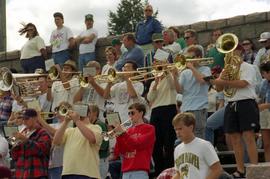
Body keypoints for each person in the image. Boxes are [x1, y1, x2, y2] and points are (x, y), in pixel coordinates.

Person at [211, 44, 260, 178]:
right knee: (234, 138)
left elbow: (243, 83)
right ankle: (240, 170)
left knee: (248, 136)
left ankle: (254, 168)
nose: (231, 53)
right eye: (229, 51)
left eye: (234, 50)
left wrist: (225, 82)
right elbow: (219, 89)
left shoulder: (248, 67)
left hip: (246, 103)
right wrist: (220, 80)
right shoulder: (226, 69)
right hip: (231, 104)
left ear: (240, 52)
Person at [147, 59, 179, 176]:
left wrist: (166, 70)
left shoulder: (170, 76)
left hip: (168, 109)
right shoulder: (152, 83)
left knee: (169, 141)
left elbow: (172, 86)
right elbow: (150, 98)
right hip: (156, 111)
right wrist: (155, 82)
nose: (157, 68)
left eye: (159, 66)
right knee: (156, 143)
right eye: (156, 66)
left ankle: (169, 169)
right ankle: (159, 170)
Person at [53, 104, 102, 179]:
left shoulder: (95, 127)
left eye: (81, 109)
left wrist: (77, 120)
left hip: (87, 173)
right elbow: (56, 141)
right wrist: (65, 122)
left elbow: (92, 138)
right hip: (68, 172)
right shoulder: (70, 130)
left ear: (88, 114)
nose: (77, 112)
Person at [172, 112, 222, 179]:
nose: (177, 132)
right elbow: (179, 174)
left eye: (180, 128)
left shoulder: (204, 145)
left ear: (191, 127)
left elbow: (217, 170)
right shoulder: (177, 149)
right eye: (176, 129)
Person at [176, 45, 211, 139]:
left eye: (191, 57)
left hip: (199, 108)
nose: (188, 60)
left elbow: (202, 80)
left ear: (199, 58)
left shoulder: (206, 69)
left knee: (198, 136)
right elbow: (179, 90)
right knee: (184, 136)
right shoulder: (184, 73)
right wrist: (174, 76)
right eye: (187, 58)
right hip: (185, 108)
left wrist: (191, 67)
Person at [113, 103, 155, 179]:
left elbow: (137, 144)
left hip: (140, 172)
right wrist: (118, 135)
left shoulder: (149, 128)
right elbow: (121, 151)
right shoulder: (128, 131)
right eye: (129, 113)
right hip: (125, 172)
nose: (130, 115)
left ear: (141, 113)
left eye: (132, 113)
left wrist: (123, 133)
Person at [11, 108, 52, 178]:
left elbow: (41, 150)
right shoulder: (23, 132)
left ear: (35, 118)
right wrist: (15, 146)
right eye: (23, 119)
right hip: (21, 174)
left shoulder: (43, 133)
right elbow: (15, 156)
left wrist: (26, 140)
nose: (24, 122)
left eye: (27, 119)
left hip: (37, 174)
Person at [88, 104, 110, 179]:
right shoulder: (91, 125)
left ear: (95, 113)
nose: (87, 114)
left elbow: (105, 143)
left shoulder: (100, 125)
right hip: (95, 160)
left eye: (89, 112)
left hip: (100, 161)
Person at [258, 61, 270, 162]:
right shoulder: (263, 83)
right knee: (266, 144)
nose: (263, 75)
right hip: (265, 114)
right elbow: (260, 97)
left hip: (266, 109)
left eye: (264, 73)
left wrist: (266, 105)